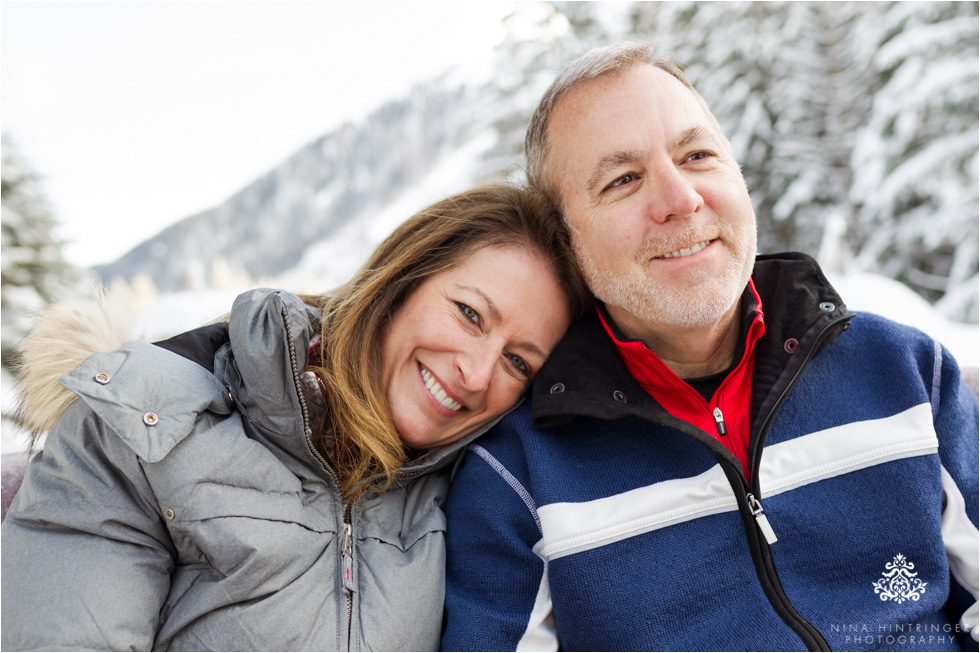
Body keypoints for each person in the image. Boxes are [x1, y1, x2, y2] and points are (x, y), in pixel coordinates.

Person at [441, 42, 979, 651]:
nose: (681, 199)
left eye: (697, 155)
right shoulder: (521, 475)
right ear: (566, 242)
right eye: (622, 180)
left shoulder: (903, 372)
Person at [0, 183, 591, 651]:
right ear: (398, 284)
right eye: (469, 314)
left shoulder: (466, 497)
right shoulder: (145, 427)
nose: (478, 372)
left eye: (518, 361)